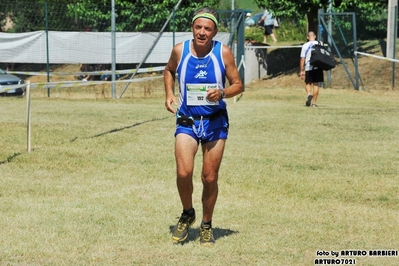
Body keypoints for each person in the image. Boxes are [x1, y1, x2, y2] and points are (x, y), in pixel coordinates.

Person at [163, 6, 243, 246]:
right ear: (192, 28)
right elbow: (168, 71)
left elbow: (238, 84)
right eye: (198, 27)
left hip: (215, 122)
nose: (201, 32)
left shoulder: (223, 53)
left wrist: (222, 92)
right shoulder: (180, 50)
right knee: (183, 172)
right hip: (187, 120)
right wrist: (168, 93)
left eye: (207, 28)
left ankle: (206, 224)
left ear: (214, 32)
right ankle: (188, 212)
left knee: (209, 177)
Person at [299, 31, 324, 107]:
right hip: (318, 66)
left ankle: (309, 94)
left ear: (307, 37)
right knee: (316, 84)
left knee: (308, 83)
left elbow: (302, 59)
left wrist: (301, 70)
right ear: (315, 36)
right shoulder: (320, 43)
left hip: (308, 66)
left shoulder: (305, 46)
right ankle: (314, 103)